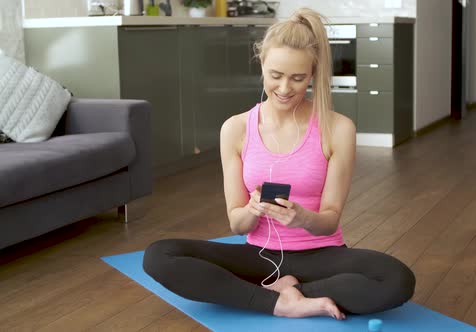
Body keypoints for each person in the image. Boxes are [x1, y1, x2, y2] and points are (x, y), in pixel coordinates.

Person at [143, 8, 415, 320]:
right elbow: (236, 224)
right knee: (159, 256)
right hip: (259, 257)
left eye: (298, 78)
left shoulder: (338, 129)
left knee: (397, 279)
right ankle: (278, 302)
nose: (285, 89)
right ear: (262, 66)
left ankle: (290, 292)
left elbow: (329, 220)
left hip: (321, 257)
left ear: (312, 74)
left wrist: (303, 219)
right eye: (276, 76)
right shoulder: (235, 128)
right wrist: (252, 210)